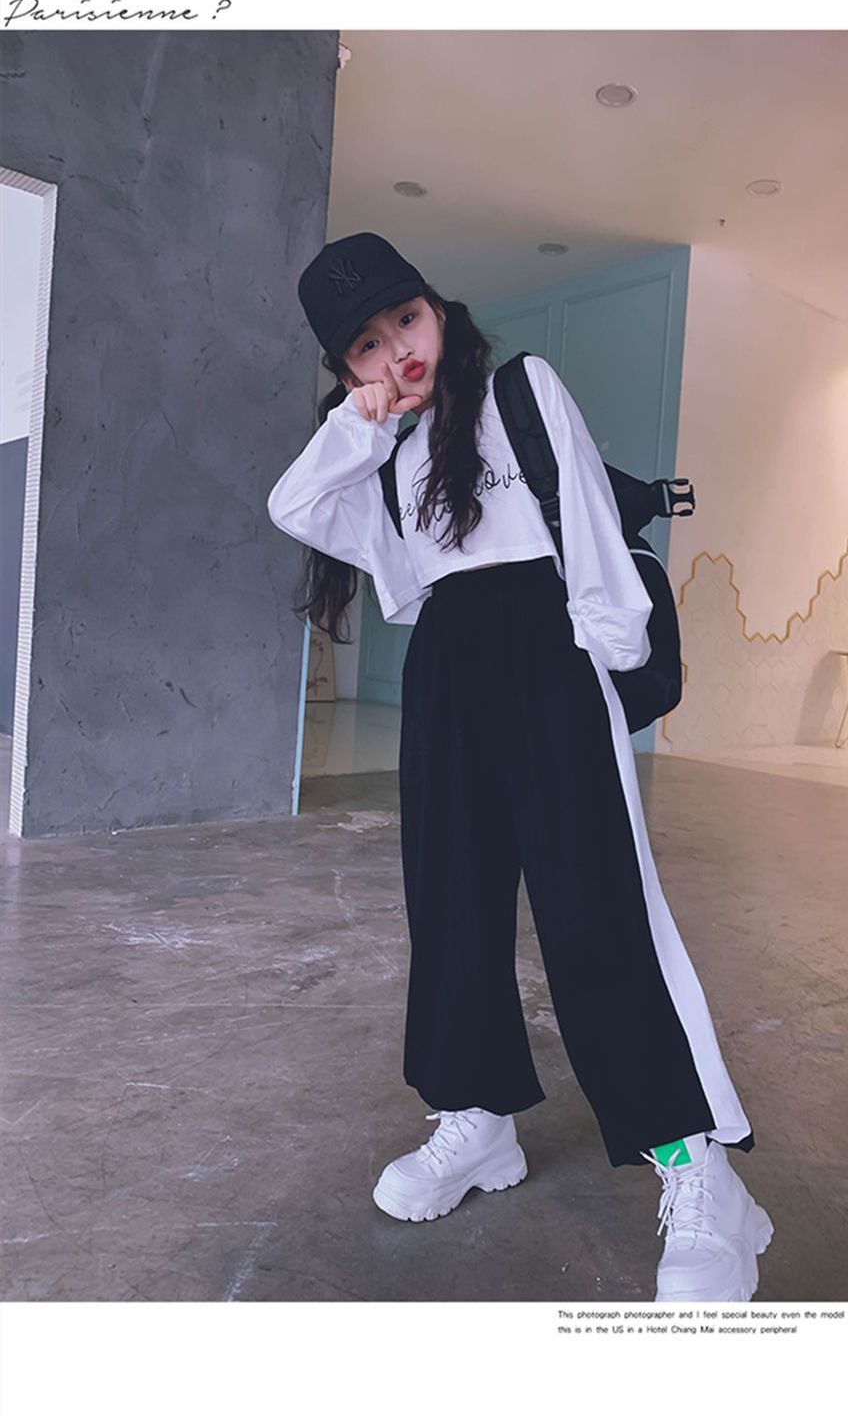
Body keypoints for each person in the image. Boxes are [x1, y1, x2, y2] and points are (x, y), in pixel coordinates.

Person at [267, 231, 773, 1302]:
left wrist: (605, 673)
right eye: (366, 346)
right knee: (449, 906)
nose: (398, 351)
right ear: (346, 369)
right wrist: (359, 424)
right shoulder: (382, 454)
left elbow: (588, 529)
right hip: (447, 670)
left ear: (436, 308)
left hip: (550, 655)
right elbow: (296, 506)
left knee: (597, 913)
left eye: (405, 319)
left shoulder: (520, 391)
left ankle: (697, 1170)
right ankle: (477, 1115)